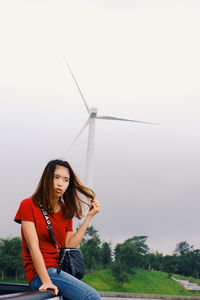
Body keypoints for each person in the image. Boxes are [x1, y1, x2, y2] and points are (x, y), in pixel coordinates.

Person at [14, 159, 101, 300]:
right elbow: (33, 247)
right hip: (40, 274)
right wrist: (46, 281)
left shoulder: (66, 210)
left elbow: (70, 244)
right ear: (46, 178)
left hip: (59, 271)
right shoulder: (28, 205)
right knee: (92, 297)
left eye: (66, 180)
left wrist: (89, 217)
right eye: (56, 177)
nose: (60, 183)